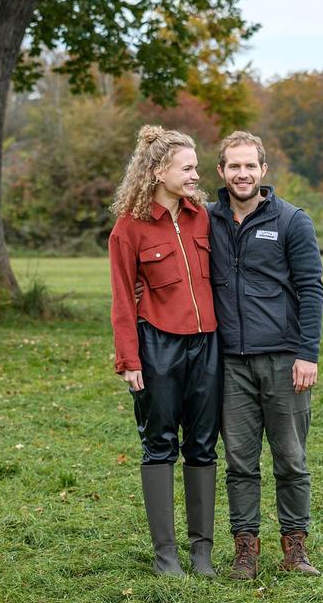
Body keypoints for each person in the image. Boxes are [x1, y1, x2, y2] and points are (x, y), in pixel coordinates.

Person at [207, 131, 323, 579]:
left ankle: (295, 548)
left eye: (249, 165)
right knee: (239, 461)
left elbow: (311, 289)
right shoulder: (207, 220)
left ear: (263, 170)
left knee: (291, 458)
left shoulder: (293, 221)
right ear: (221, 171)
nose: (242, 173)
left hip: (283, 360)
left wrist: (307, 353)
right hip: (229, 363)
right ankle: (245, 550)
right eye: (233, 166)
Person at [108, 125, 221, 577]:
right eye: (188, 168)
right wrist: (128, 359)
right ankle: (166, 556)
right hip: (157, 346)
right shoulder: (128, 229)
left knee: (202, 446)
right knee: (159, 447)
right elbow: (120, 297)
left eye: (195, 167)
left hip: (208, 345)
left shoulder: (204, 218)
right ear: (158, 172)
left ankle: (202, 553)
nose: (197, 175)